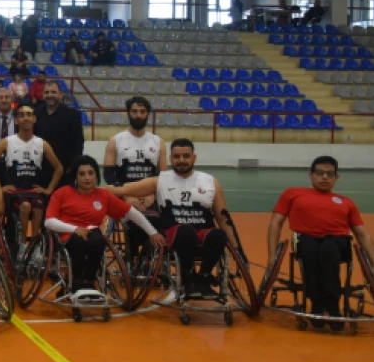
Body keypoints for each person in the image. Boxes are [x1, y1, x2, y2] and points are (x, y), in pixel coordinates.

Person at [107, 139, 238, 299]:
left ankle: (203, 277)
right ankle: (187, 277)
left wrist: (238, 251)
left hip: (203, 232)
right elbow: (123, 189)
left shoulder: (211, 182)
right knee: (186, 231)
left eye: (186, 156)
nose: (181, 160)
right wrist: (91, 189)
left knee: (219, 235)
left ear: (194, 158)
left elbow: (223, 217)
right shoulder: (160, 180)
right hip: (174, 233)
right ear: (170, 159)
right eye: (176, 156)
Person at [267, 156, 374, 331]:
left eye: (329, 174)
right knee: (311, 248)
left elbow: (362, 233)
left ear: (336, 177)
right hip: (305, 238)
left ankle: (333, 306)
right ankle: (317, 304)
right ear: (310, 175)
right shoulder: (292, 193)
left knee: (328, 248)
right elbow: (275, 223)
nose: (324, 177)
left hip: (337, 242)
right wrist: (272, 256)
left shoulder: (346, 202)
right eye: (320, 173)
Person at [44, 156, 164, 298]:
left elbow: (132, 213)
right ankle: (76, 282)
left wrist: (152, 232)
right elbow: (49, 222)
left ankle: (89, 281)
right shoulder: (62, 193)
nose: (87, 178)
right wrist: (74, 229)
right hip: (67, 234)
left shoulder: (104, 195)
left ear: (96, 175)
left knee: (98, 239)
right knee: (79, 242)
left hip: (92, 233)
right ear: (75, 176)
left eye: (91, 173)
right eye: (82, 174)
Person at [0, 102, 63, 243]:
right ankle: (22, 245)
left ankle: (34, 244)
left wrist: (49, 189)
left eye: (29, 115)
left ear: (34, 119)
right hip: (14, 192)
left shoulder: (41, 143)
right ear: (16, 120)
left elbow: (59, 168)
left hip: (34, 191)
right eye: (21, 115)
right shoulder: (7, 142)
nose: (25, 118)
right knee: (26, 206)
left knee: (38, 208)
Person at [104, 96, 167, 262]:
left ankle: (148, 259)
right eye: (134, 111)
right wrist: (126, 195)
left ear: (147, 114)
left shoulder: (158, 142)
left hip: (150, 196)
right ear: (128, 113)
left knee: (158, 218)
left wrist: (152, 194)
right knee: (132, 220)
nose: (138, 115)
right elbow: (109, 175)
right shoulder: (115, 141)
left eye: (142, 112)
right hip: (125, 196)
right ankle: (131, 259)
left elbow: (165, 177)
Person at [34, 83, 85, 171]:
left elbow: (78, 144)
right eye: (46, 92)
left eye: (53, 92)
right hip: (40, 168)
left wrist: (74, 167)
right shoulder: (36, 113)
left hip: (65, 167)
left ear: (60, 94)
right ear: (43, 95)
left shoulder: (72, 115)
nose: (49, 95)